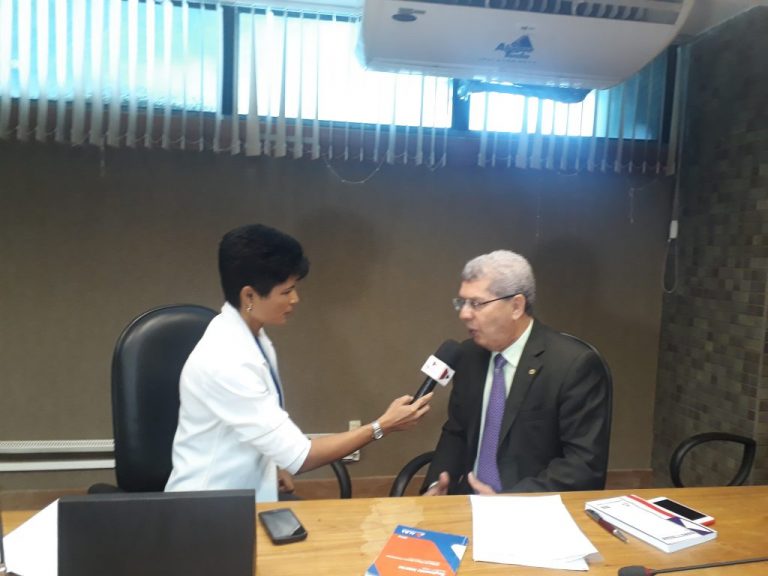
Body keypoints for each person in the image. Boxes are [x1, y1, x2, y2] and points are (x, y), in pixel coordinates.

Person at [166, 224, 432, 501]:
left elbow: (253, 424)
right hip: (206, 508)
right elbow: (301, 457)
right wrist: (382, 426)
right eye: (286, 291)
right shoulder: (226, 361)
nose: (295, 299)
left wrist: (272, 465)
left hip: (243, 497)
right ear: (249, 296)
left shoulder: (252, 336)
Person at [423, 250, 610, 496]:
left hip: (532, 507)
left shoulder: (573, 365)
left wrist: (509, 501)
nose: (464, 314)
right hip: (466, 502)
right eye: (462, 302)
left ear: (516, 306)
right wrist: (437, 484)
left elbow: (583, 466)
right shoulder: (468, 355)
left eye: (476, 303)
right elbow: (456, 431)